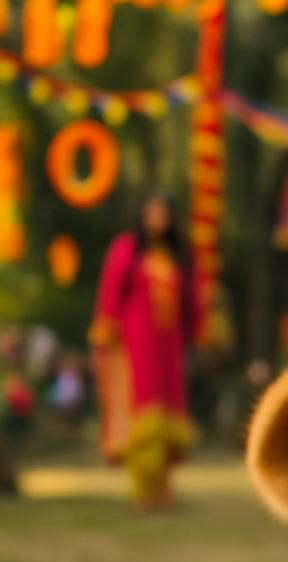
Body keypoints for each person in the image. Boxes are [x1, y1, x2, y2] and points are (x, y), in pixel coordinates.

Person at [89, 192, 196, 509]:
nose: (157, 219)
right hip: (136, 344)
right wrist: (104, 331)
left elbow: (190, 303)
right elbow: (110, 292)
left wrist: (199, 332)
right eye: (152, 213)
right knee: (142, 411)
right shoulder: (125, 249)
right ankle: (142, 490)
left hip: (169, 346)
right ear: (142, 216)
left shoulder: (177, 256)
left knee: (169, 411)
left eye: (163, 213)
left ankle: (164, 486)